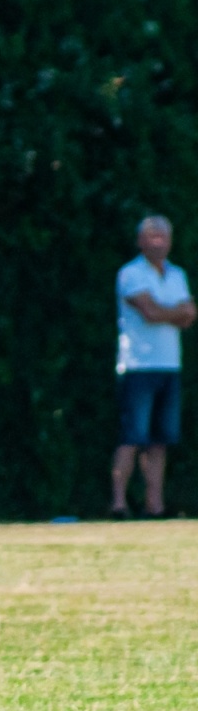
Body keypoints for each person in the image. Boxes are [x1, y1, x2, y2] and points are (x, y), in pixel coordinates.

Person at [111, 215, 195, 519]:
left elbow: (189, 315)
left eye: (163, 237)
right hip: (138, 366)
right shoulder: (131, 274)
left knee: (161, 440)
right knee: (132, 437)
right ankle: (119, 504)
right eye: (152, 237)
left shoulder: (177, 275)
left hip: (169, 364)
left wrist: (168, 312)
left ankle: (154, 505)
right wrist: (174, 312)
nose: (159, 243)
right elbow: (149, 312)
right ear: (140, 241)